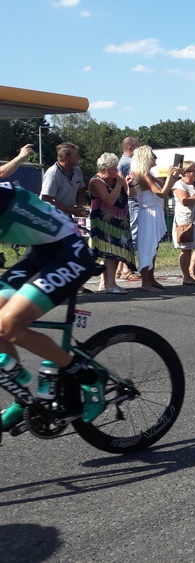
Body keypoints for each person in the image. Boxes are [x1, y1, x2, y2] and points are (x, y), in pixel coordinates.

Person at [1, 146, 107, 427]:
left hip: (69, 251)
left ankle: (87, 376)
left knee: (8, 324)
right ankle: (22, 395)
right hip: (41, 252)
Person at [87, 152, 135, 294]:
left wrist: (127, 184)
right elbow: (109, 200)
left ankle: (104, 283)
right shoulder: (96, 181)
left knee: (111, 253)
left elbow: (130, 194)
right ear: (104, 169)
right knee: (110, 252)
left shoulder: (116, 178)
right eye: (113, 169)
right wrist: (120, 184)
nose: (117, 171)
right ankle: (111, 284)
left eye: (116, 168)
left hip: (120, 220)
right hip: (104, 221)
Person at [131, 147, 170, 292]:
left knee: (153, 246)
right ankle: (145, 282)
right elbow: (161, 193)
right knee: (147, 246)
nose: (156, 158)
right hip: (148, 213)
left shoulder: (148, 174)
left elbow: (164, 190)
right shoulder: (144, 175)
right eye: (153, 156)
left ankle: (150, 279)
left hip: (153, 210)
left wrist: (170, 179)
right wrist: (171, 178)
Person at [41, 143, 88, 220]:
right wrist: (72, 211)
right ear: (66, 158)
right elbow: (46, 201)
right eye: (75, 155)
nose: (78, 157)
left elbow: (80, 190)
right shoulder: (52, 174)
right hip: (51, 219)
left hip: (66, 216)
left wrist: (80, 206)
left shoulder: (77, 170)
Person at [117, 136, 140, 281]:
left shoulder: (122, 161)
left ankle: (119, 268)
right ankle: (127, 268)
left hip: (126, 200)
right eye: (138, 145)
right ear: (130, 147)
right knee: (131, 235)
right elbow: (121, 179)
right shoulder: (129, 163)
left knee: (127, 234)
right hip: (130, 200)